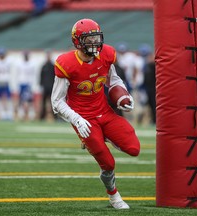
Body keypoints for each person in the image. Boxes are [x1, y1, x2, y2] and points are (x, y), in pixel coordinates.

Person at [51, 18, 140, 209]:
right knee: (107, 162)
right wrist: (76, 119)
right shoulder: (67, 63)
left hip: (104, 112)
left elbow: (113, 80)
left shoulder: (106, 54)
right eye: (89, 40)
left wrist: (123, 96)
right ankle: (114, 196)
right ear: (77, 41)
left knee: (134, 148)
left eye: (96, 38)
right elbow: (56, 102)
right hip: (84, 119)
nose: (94, 43)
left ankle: (99, 138)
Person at [0, 47, 14, 121]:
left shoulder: (7, 61)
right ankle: (0, 114)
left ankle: (8, 114)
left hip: (6, 82)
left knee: (7, 99)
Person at [39, 50, 56, 121]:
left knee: (53, 103)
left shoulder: (53, 66)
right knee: (43, 102)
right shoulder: (43, 66)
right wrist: (41, 85)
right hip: (45, 87)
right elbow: (41, 76)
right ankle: (42, 117)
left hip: (52, 87)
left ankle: (55, 117)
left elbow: (56, 77)